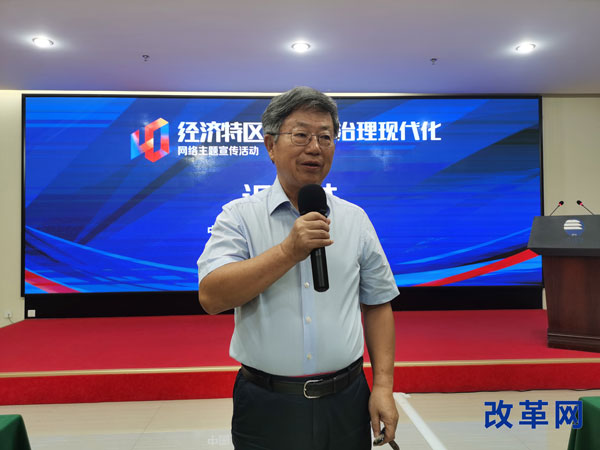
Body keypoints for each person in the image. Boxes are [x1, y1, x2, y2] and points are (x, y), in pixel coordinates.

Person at [197, 86, 399, 450]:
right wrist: (288, 251)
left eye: (325, 137)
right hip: (266, 405)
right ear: (271, 146)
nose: (315, 148)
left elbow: (378, 303)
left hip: (347, 401)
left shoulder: (355, 219)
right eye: (301, 135)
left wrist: (383, 386)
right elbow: (212, 297)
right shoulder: (239, 217)